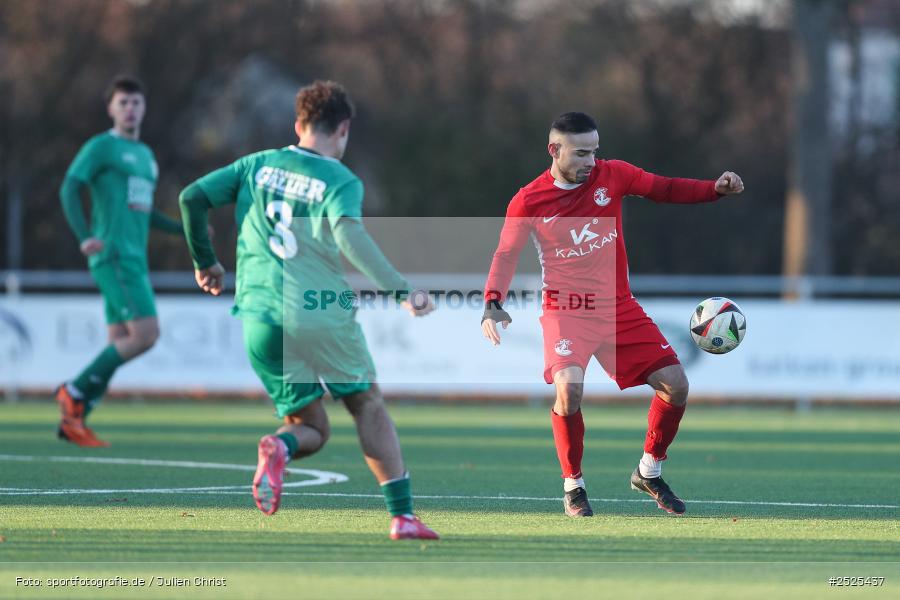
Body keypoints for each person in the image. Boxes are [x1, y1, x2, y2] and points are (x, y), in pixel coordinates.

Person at [178, 80, 439, 540]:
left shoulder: (256, 165)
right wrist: (402, 291)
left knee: (310, 426)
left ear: (298, 125)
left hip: (259, 317)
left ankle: (279, 446)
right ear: (343, 129)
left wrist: (207, 261)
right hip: (317, 312)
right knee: (367, 404)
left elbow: (191, 197)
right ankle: (402, 517)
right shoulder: (340, 179)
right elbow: (350, 237)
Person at [481, 112, 744, 517]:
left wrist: (714, 189)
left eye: (594, 151)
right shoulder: (528, 200)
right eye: (581, 152)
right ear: (555, 150)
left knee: (676, 385)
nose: (591, 161)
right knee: (569, 390)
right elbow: (505, 253)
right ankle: (574, 486)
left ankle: (649, 471)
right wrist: (492, 303)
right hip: (566, 310)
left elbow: (665, 188)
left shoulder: (613, 175)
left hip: (619, 306)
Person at [57, 75, 187, 447]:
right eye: (123, 103)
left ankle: (74, 420)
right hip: (115, 256)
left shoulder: (146, 157)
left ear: (144, 108)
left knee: (118, 340)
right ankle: (74, 390)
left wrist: (185, 231)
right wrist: (85, 236)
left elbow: (144, 213)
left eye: (136, 103)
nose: (130, 109)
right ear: (111, 109)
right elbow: (69, 187)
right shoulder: (102, 147)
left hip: (134, 257)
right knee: (146, 335)